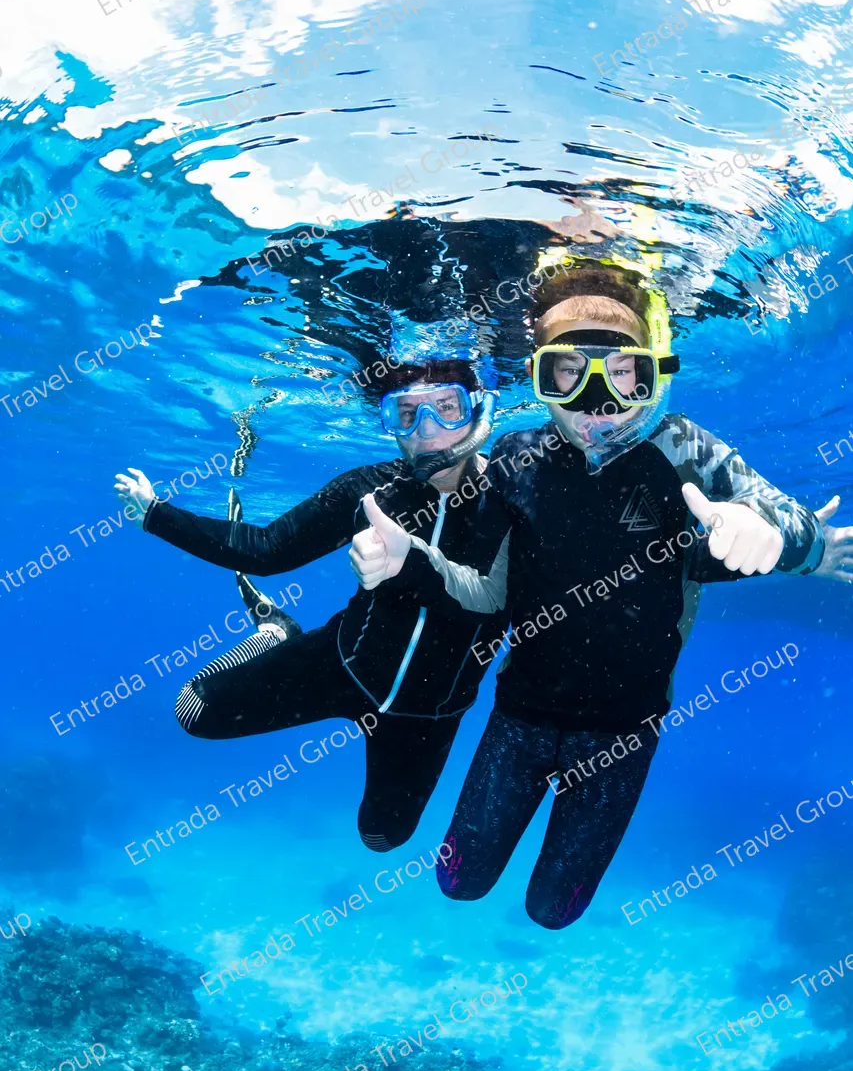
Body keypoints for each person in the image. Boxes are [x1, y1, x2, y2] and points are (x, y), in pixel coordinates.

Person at [350, 258, 853, 926]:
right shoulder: (514, 460)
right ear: (541, 376)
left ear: (653, 373)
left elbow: (775, 512)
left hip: (622, 734)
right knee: (457, 884)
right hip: (518, 720)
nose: (597, 404)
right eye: (568, 372)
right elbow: (484, 594)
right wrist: (413, 563)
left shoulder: (688, 453)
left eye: (622, 375)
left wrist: (779, 538)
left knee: (552, 911)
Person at [114, 359, 508, 853]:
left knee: (382, 837)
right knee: (193, 712)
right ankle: (276, 632)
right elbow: (265, 549)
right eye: (405, 414)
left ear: (478, 411)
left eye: (447, 409)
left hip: (428, 713)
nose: (428, 432)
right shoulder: (371, 490)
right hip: (339, 662)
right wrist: (156, 515)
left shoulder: (515, 501)